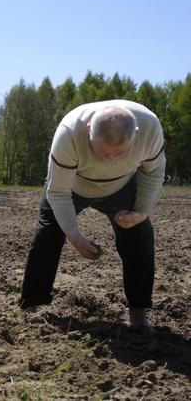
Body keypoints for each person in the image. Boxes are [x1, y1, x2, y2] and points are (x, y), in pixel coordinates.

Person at [19, 99, 165, 330]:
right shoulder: (68, 133)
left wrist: (142, 211)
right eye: (101, 151)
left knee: (140, 235)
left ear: (136, 133)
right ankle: (33, 305)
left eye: (119, 153)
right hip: (72, 185)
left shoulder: (149, 128)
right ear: (89, 130)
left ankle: (138, 313)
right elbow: (58, 191)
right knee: (47, 233)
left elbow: (154, 172)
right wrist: (74, 236)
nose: (109, 160)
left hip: (123, 185)